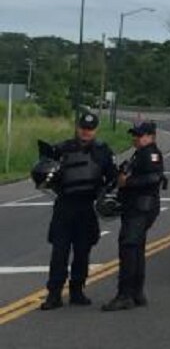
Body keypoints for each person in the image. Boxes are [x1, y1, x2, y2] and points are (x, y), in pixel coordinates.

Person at [40, 112, 117, 310]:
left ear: (96, 130)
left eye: (90, 129)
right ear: (77, 127)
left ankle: (77, 291)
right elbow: (45, 171)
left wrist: (106, 195)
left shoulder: (103, 151)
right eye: (83, 128)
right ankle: (54, 294)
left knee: (83, 251)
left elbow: (112, 178)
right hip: (65, 205)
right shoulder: (62, 149)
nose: (86, 132)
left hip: (87, 206)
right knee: (59, 252)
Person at [102, 121, 165, 311]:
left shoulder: (151, 154)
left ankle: (125, 295)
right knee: (135, 248)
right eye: (134, 135)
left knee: (129, 247)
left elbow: (154, 178)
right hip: (134, 206)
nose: (135, 138)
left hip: (142, 206)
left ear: (150, 136)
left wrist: (128, 182)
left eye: (139, 135)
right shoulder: (140, 153)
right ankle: (137, 293)